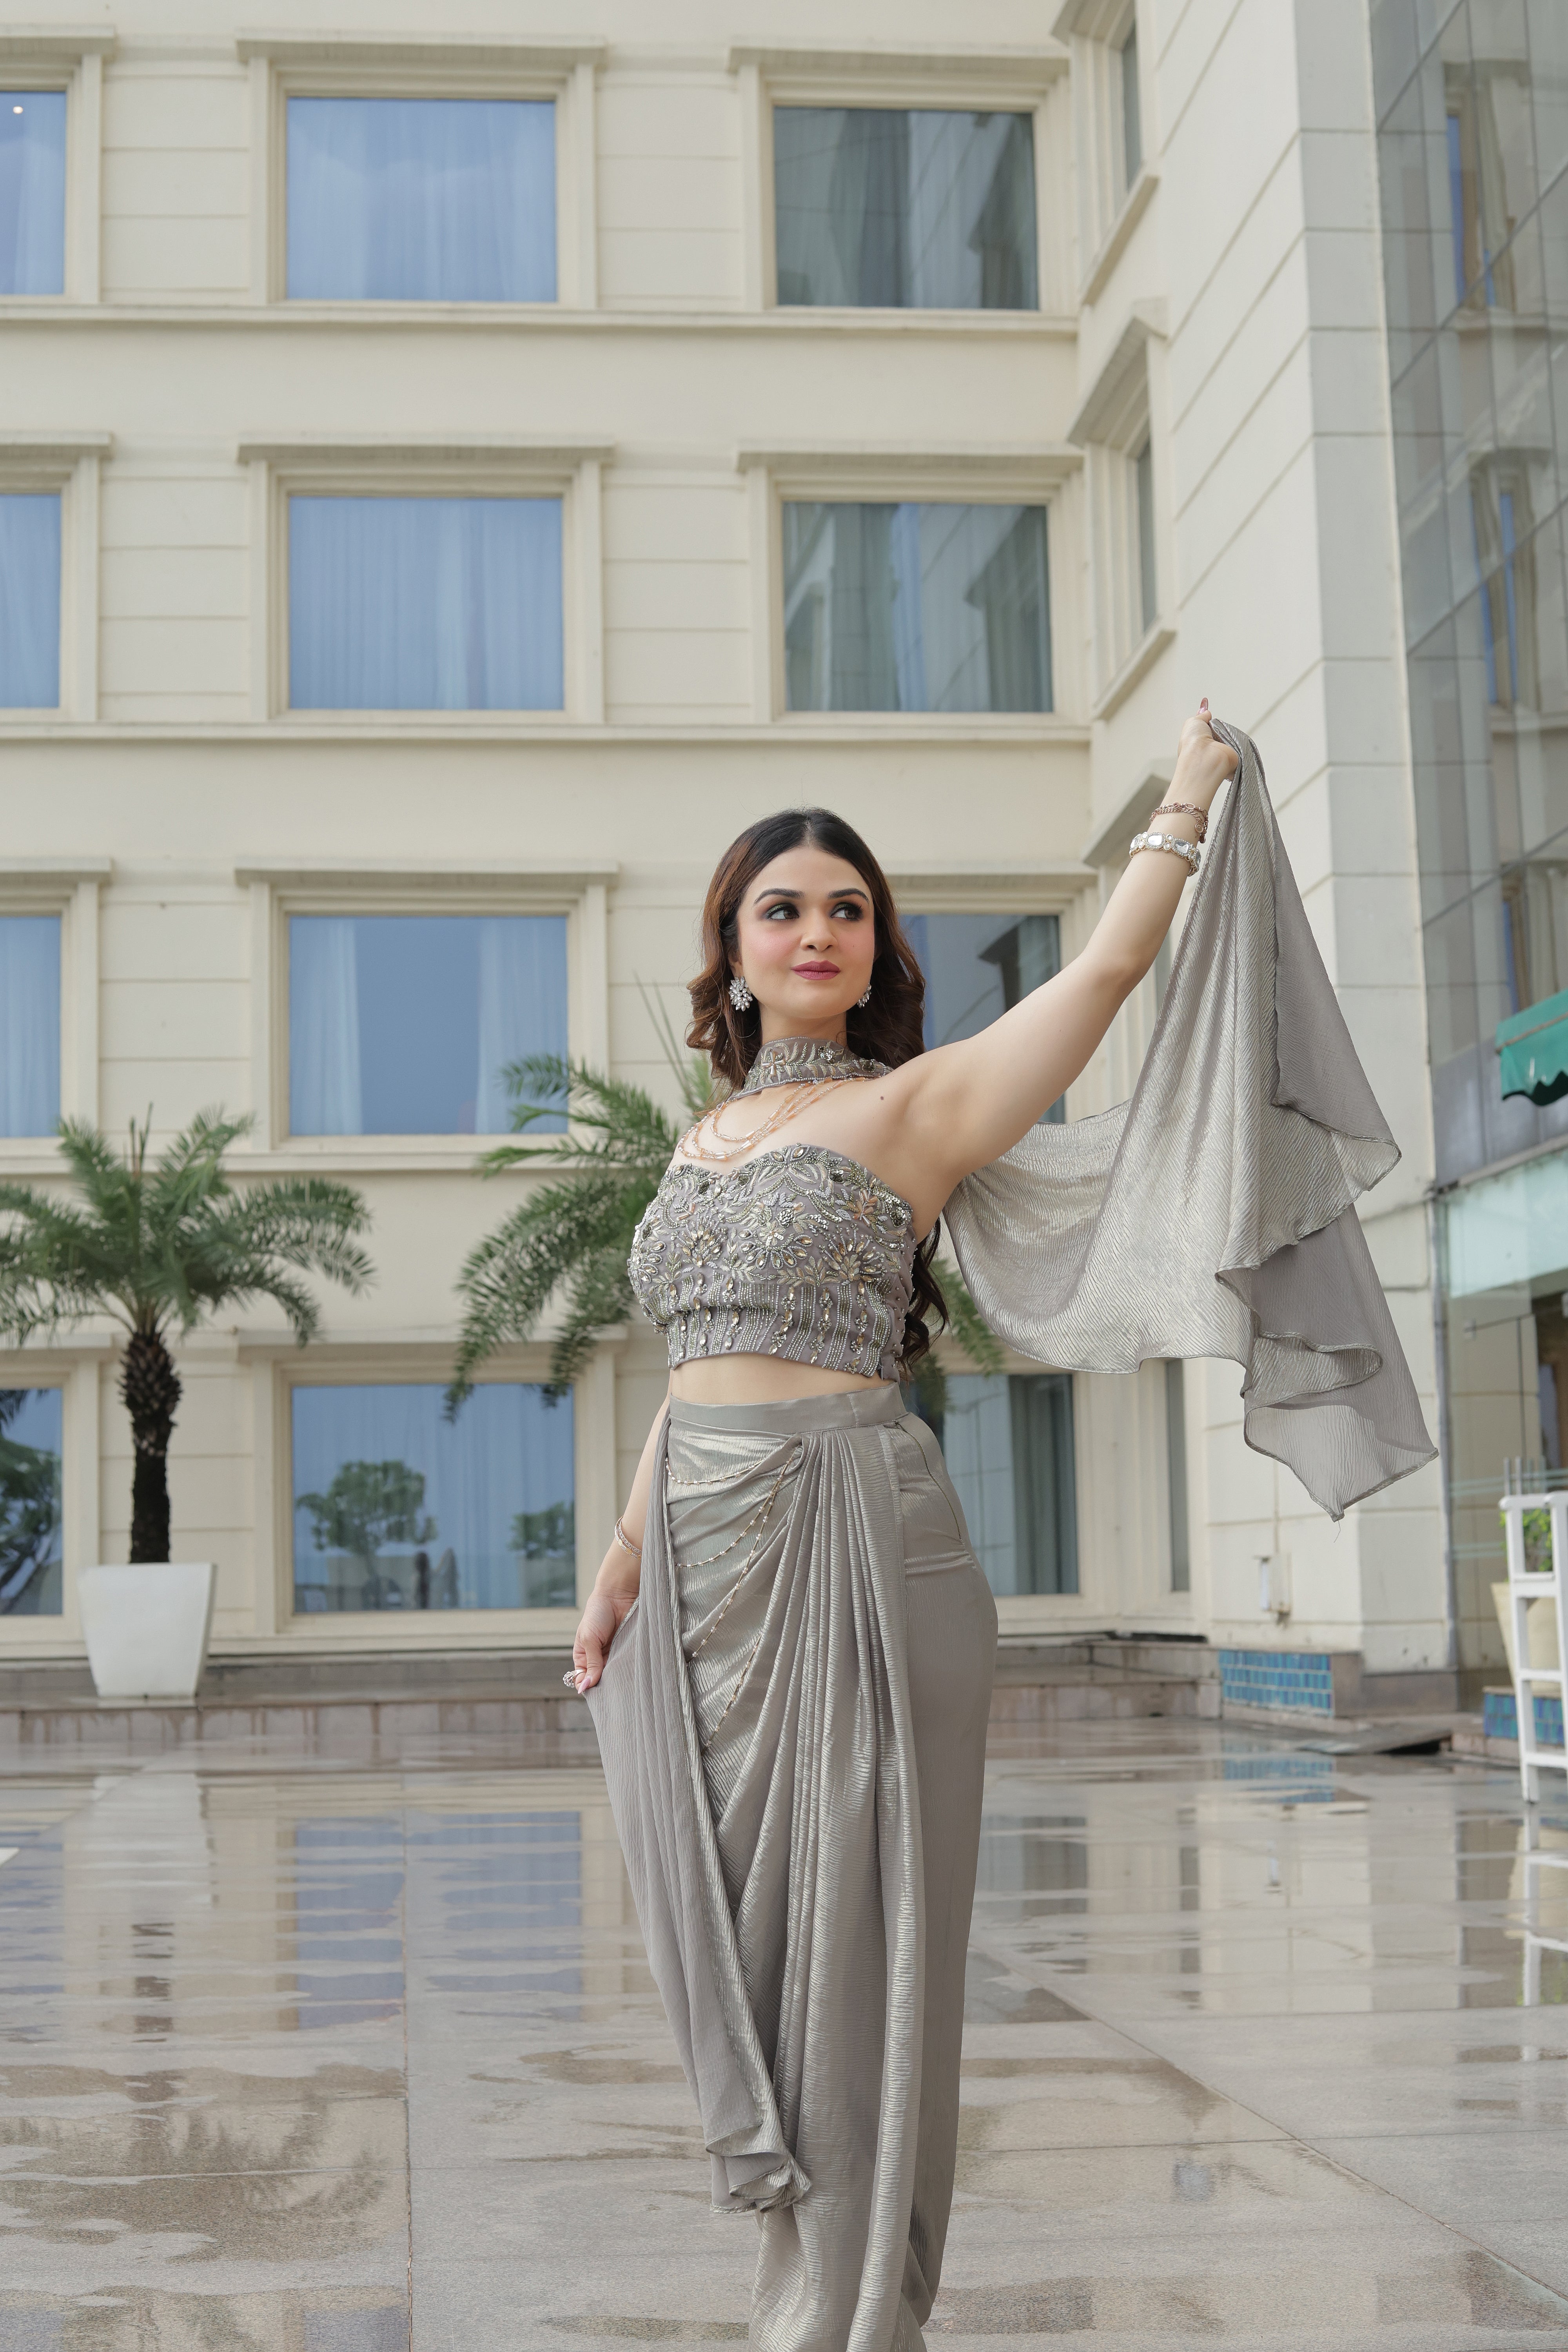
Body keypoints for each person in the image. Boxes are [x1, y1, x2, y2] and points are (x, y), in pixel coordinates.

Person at [572, 699, 1431, 2352]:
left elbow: (1100, 982)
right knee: (737, 1957)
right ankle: (798, 2284)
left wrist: (1179, 803)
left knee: (858, 1953)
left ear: (877, 946)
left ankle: (843, 2322)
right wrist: (618, 1559)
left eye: (846, 907)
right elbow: (688, 1372)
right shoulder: (700, 1142)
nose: (816, 928)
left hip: (857, 1538)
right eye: (781, 907)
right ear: (732, 957)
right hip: (695, 1559)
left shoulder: (924, 1107)